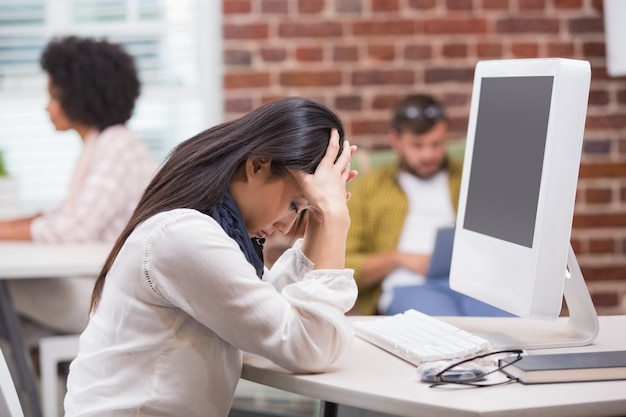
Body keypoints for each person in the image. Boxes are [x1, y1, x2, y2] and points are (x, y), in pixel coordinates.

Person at [63, 97, 359, 417]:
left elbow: (274, 312)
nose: (288, 225)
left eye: (302, 209)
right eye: (293, 205)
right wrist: (335, 219)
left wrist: (319, 217)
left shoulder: (203, 228)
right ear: (258, 166)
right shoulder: (185, 237)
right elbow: (310, 346)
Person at [0, 35, 157, 341]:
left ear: (81, 96)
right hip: (99, 287)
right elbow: (61, 217)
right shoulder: (100, 144)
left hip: (111, 299)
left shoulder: (117, 145)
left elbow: (75, 227)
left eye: (55, 96)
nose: (48, 107)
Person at [345, 93, 510, 316]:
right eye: (417, 145)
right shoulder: (368, 188)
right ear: (396, 140)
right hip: (409, 285)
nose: (428, 155)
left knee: (514, 325)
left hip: (474, 285)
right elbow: (344, 267)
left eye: (436, 144)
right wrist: (399, 259)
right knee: (446, 331)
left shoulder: (469, 178)